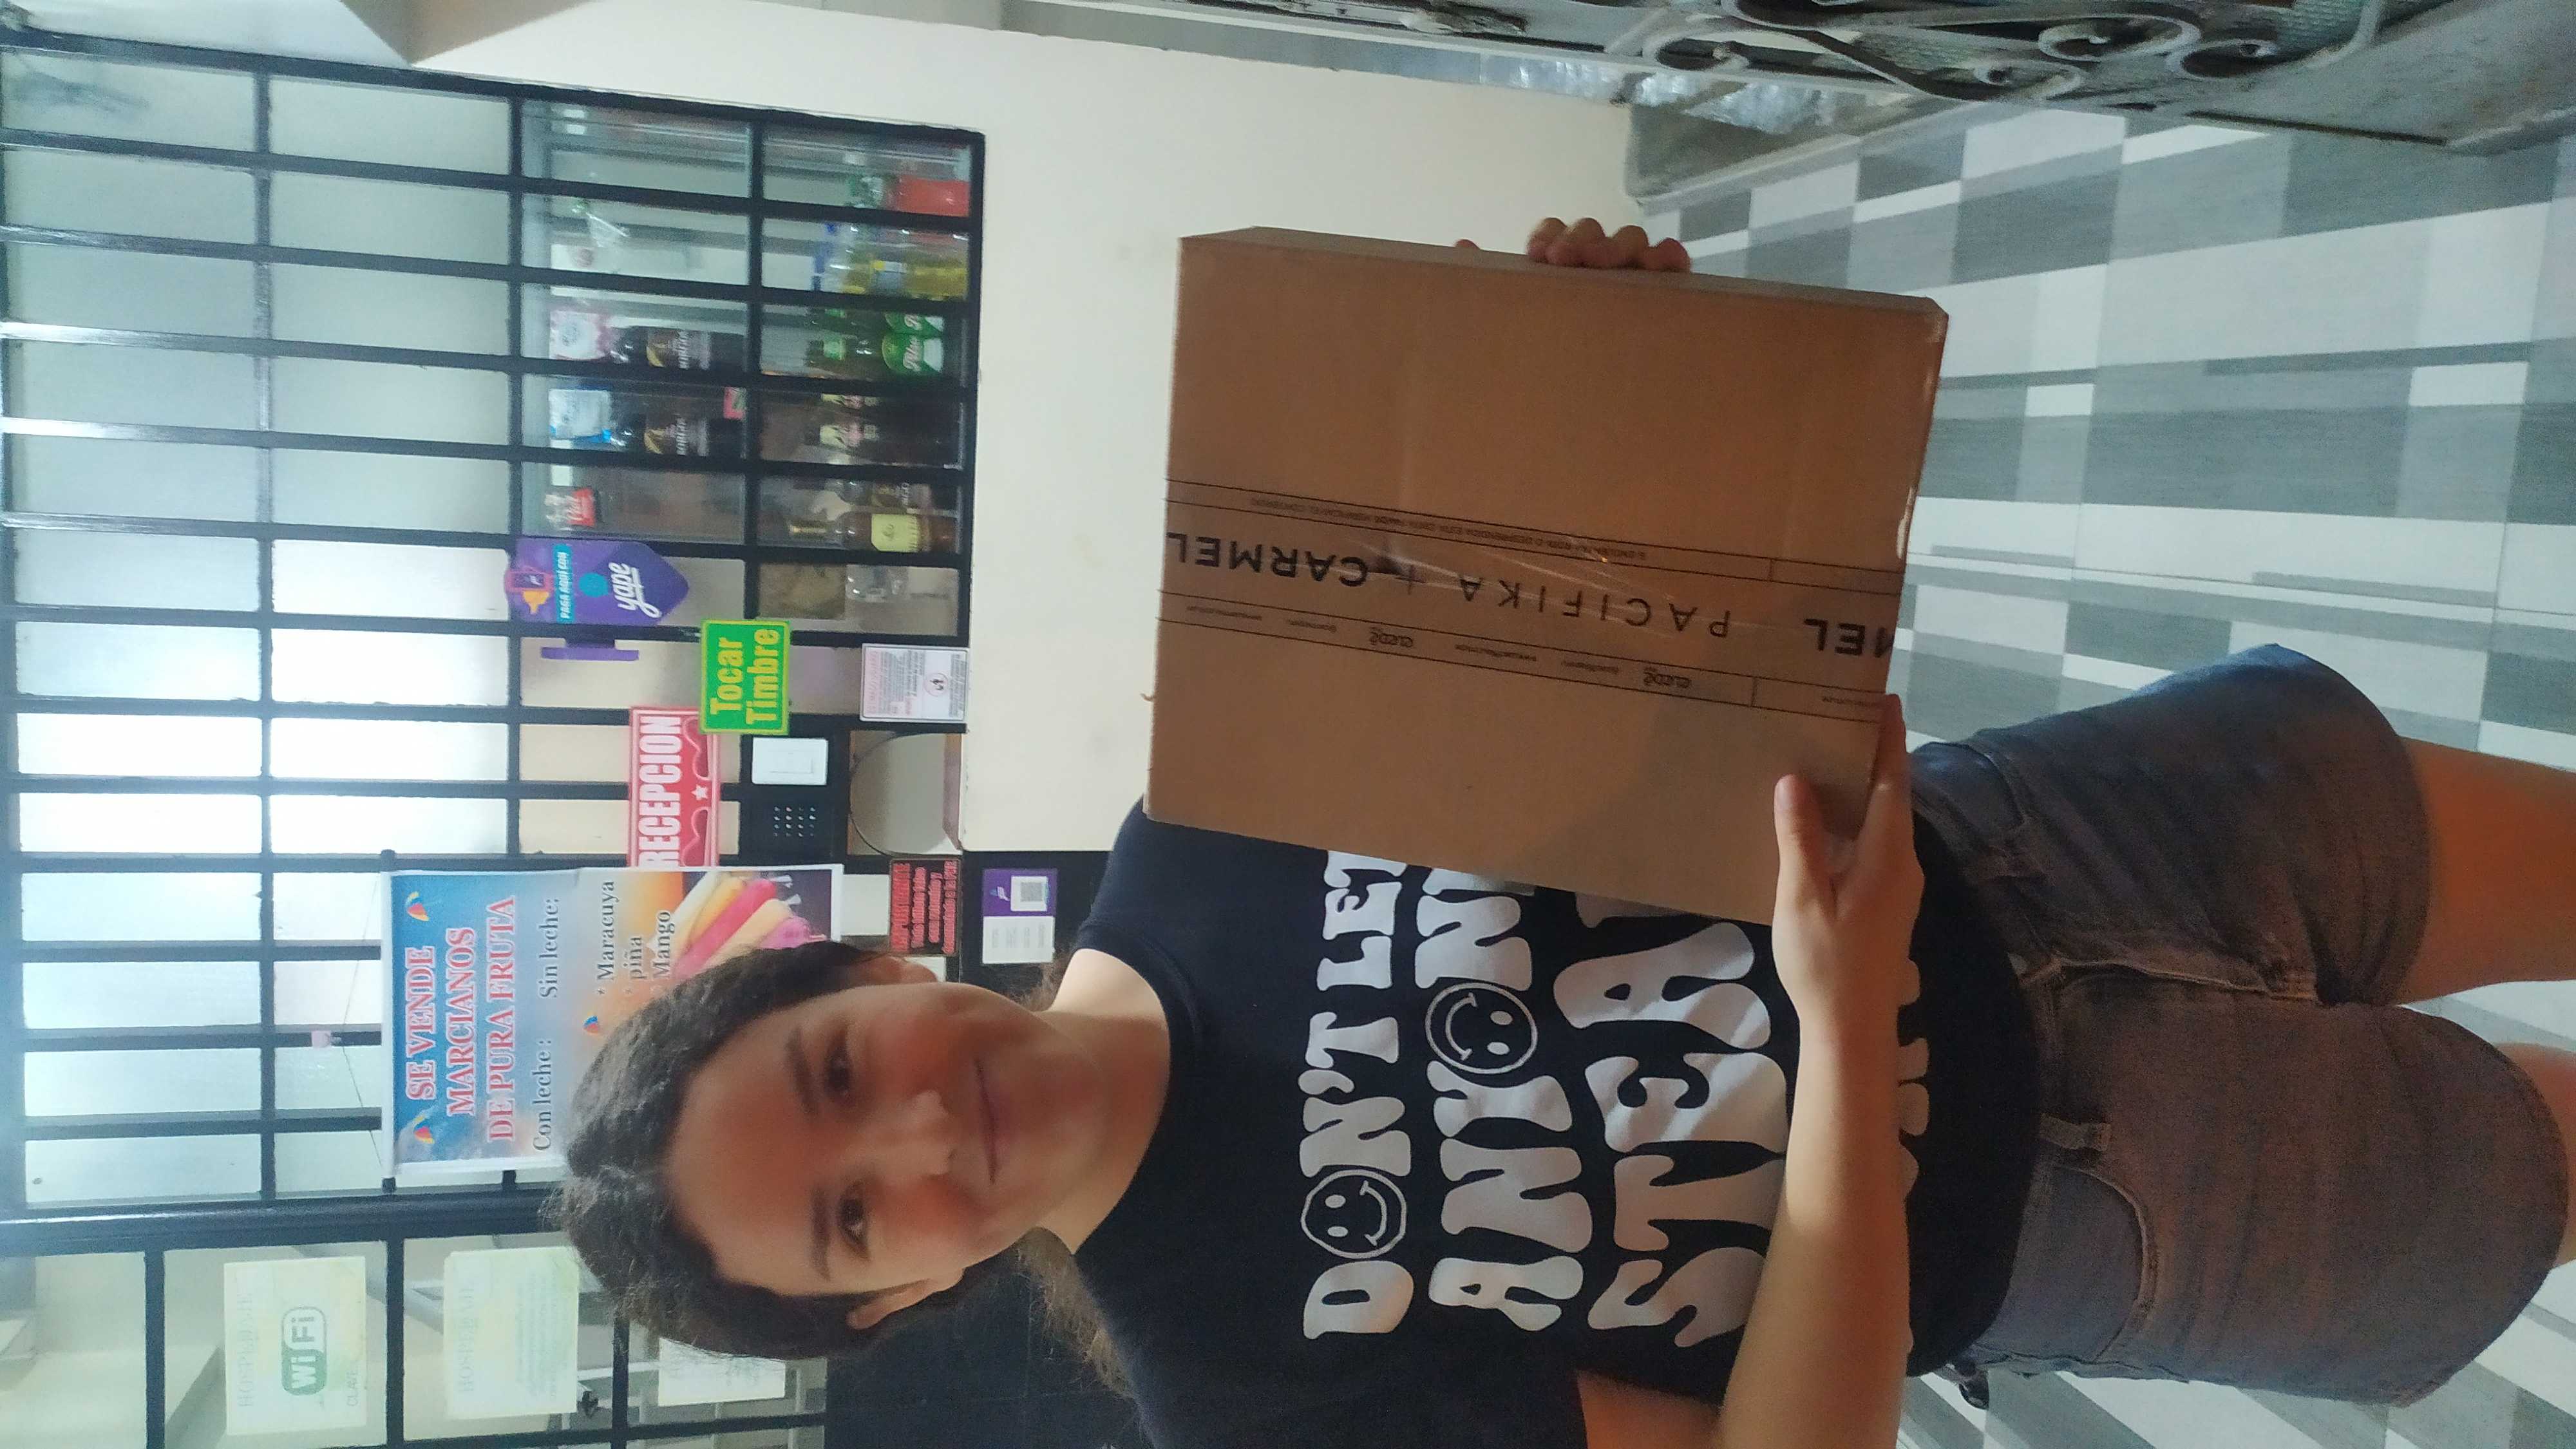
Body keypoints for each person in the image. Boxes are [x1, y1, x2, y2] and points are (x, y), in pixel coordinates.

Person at [554, 221, 2576, 1449]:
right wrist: (1841, 1026)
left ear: (864, 963)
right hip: (2109, 1206)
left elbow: (1636, 671)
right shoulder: (1248, 1391)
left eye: (839, 1072)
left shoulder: (1213, 808)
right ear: (891, 1302)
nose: (920, 1138)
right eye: (853, 1219)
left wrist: (1608, 402)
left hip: (2069, 828)